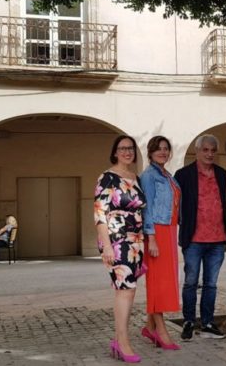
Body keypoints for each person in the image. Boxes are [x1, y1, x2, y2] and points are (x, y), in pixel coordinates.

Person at [94, 135, 146, 363]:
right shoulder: (107, 178)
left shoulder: (136, 178)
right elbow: (99, 213)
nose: (127, 152)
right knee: (124, 289)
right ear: (115, 152)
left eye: (131, 148)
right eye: (122, 148)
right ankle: (123, 342)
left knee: (129, 290)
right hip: (116, 240)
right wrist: (106, 246)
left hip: (136, 240)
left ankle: (119, 340)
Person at [174, 134, 226, 341]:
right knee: (190, 282)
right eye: (205, 150)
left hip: (217, 239)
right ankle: (189, 321)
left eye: (213, 150)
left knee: (211, 284)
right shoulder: (183, 174)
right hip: (194, 239)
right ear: (197, 151)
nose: (209, 154)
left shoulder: (222, 173)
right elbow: (175, 205)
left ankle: (207, 322)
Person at [139, 136, 181, 350]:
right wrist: (152, 237)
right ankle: (161, 330)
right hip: (157, 232)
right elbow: (146, 207)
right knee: (158, 283)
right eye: (158, 149)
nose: (163, 152)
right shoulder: (149, 176)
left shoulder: (167, 175)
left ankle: (149, 326)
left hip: (170, 230)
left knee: (164, 280)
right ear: (150, 152)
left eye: (166, 149)